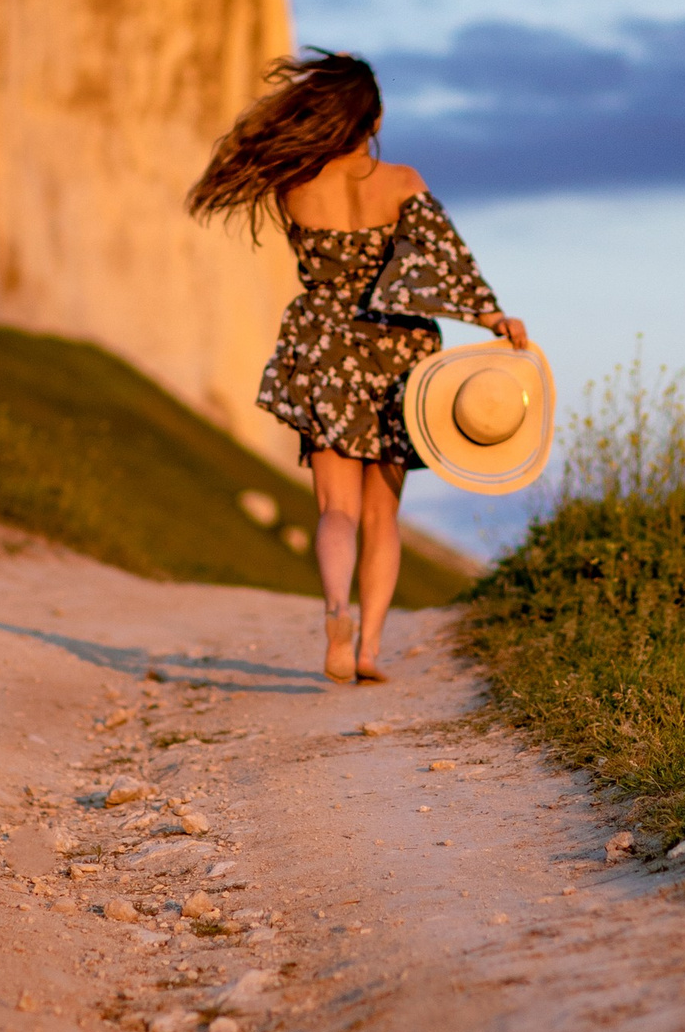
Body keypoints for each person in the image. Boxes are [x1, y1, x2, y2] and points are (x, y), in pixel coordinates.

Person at [187, 49, 528, 685]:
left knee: (335, 512)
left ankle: (336, 615)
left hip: (323, 347)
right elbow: (449, 262)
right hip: (398, 356)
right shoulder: (400, 181)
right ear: (373, 119)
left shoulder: (293, 185)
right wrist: (493, 319)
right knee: (381, 517)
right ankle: (369, 649)